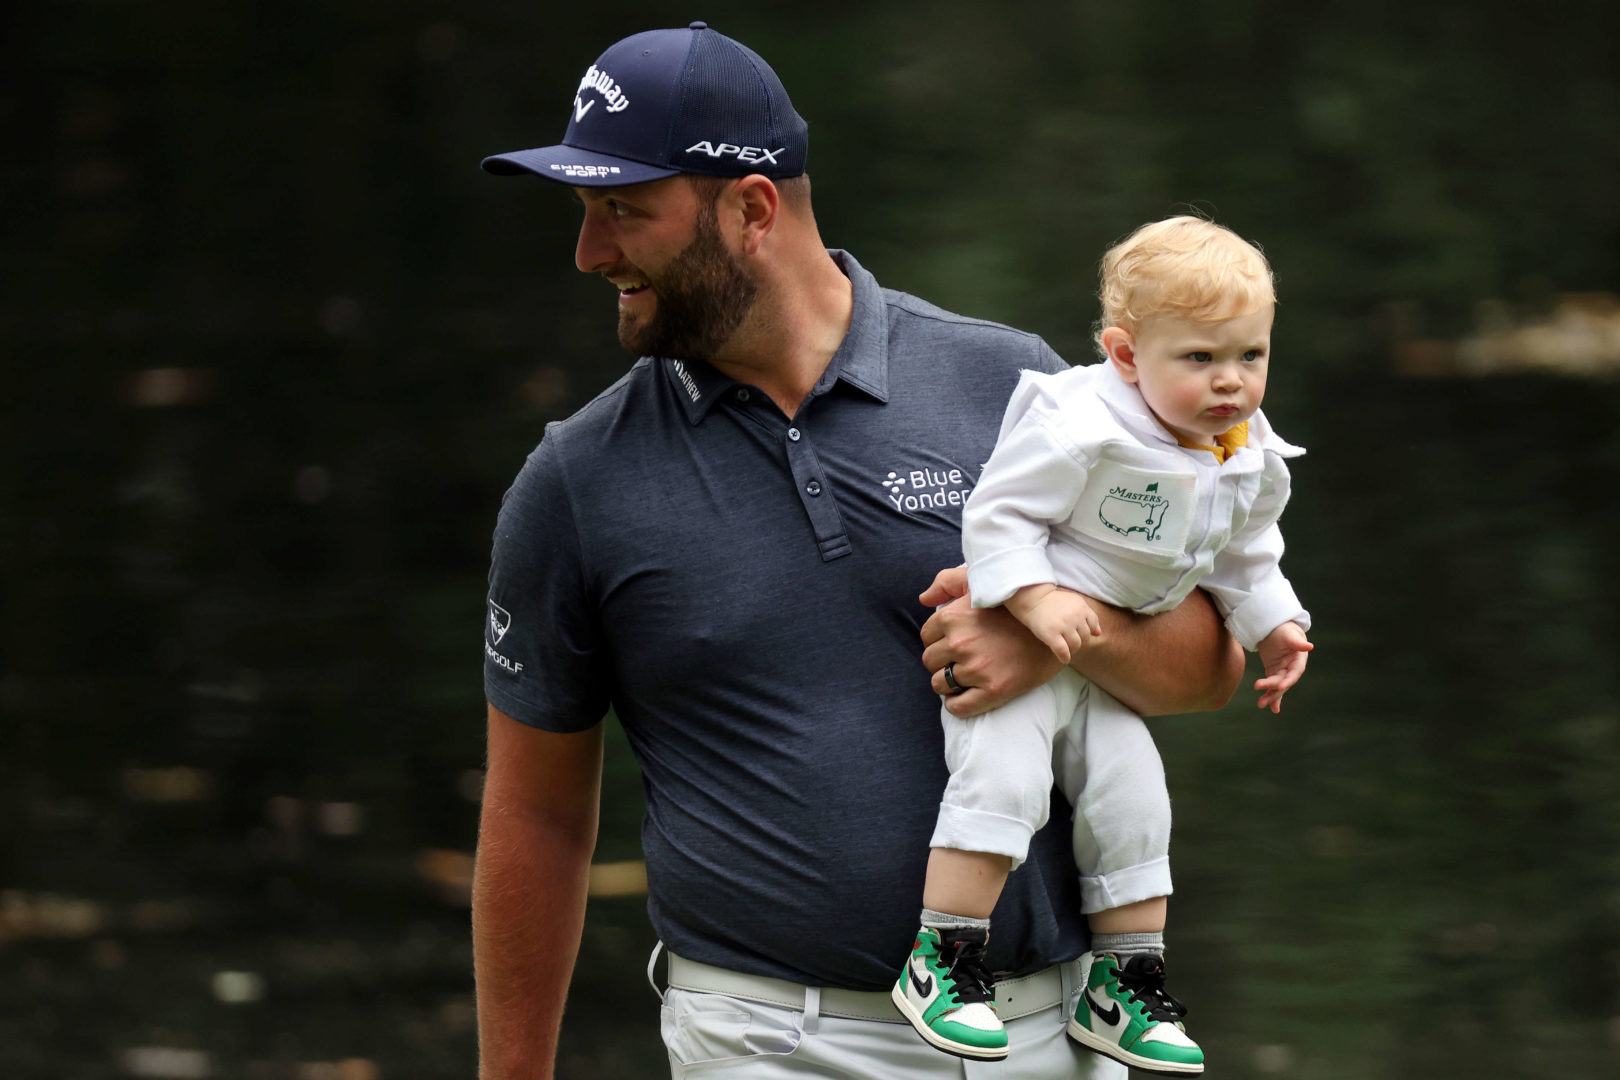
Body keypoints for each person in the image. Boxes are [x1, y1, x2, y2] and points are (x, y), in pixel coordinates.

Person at [471, 22, 1245, 1080]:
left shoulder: (1013, 390)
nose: (590, 253)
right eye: (585, 213)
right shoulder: (575, 483)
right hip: (771, 1042)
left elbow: (1210, 664)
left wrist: (1066, 635)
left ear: (750, 208)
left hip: (1058, 1038)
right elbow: (535, 815)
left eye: (622, 211)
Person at [892, 216, 1314, 1073]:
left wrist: (1276, 624)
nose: (1231, 383)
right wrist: (1037, 598)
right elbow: (998, 514)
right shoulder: (1082, 422)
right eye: (1199, 359)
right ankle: (941, 958)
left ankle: (1122, 984)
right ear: (1127, 356)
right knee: (1001, 783)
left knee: (1136, 801)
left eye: (1251, 356)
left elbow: (1243, 556)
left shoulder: (1242, 450)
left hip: (1106, 672)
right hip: (1021, 639)